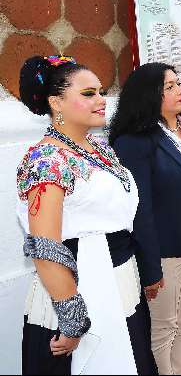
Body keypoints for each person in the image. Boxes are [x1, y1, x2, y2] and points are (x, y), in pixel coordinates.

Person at [16, 55, 156, 374]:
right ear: (57, 102)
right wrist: (72, 319)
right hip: (75, 291)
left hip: (119, 285)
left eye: (101, 91)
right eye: (88, 93)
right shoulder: (46, 159)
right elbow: (45, 244)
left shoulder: (100, 149)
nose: (101, 100)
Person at [110, 63, 181, 374]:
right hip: (164, 253)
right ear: (150, 96)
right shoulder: (135, 141)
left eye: (178, 83)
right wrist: (151, 269)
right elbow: (140, 209)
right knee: (165, 328)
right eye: (170, 87)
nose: (180, 90)